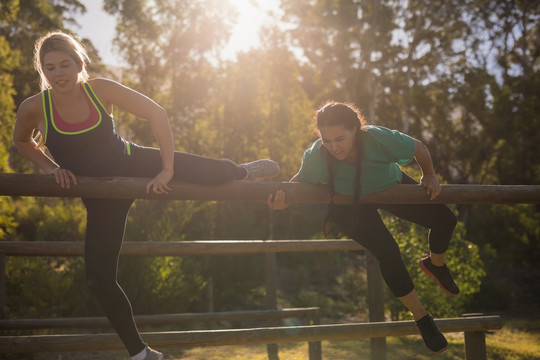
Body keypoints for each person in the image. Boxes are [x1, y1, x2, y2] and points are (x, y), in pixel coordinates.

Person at [13, 30, 279, 360]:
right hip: (100, 195)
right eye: (49, 67)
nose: (58, 73)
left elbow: (157, 113)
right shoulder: (34, 107)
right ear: (42, 71)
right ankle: (142, 354)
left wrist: (166, 169)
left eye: (65, 64)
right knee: (98, 279)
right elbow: (23, 142)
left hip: (134, 161)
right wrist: (52, 169)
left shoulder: (99, 89)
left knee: (212, 174)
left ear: (80, 63)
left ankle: (243, 171)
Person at [267, 101, 458, 354]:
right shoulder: (317, 156)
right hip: (349, 204)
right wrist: (284, 199)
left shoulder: (377, 139)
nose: (334, 147)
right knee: (388, 252)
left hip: (390, 188)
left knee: (446, 219)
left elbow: (418, 149)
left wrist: (430, 175)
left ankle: (435, 264)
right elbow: (299, 181)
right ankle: (423, 319)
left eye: (340, 139)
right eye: (327, 140)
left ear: (355, 129)